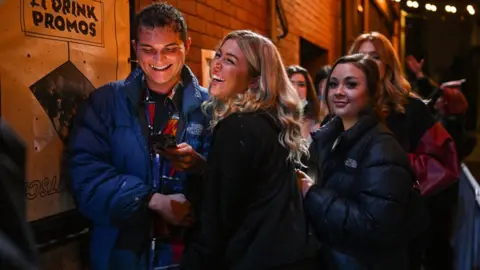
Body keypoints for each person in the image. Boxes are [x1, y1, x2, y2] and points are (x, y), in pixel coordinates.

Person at [67, 3, 210, 270]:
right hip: (121, 255)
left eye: (170, 49)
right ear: (135, 48)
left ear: (187, 46)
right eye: (148, 50)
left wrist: (202, 168)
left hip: (190, 254)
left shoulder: (211, 108)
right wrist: (152, 200)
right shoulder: (104, 102)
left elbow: (234, 182)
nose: (159, 60)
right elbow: (85, 176)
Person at [180, 30, 318, 270]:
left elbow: (218, 219)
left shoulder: (238, 127)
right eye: (219, 56)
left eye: (230, 61)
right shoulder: (269, 122)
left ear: (254, 80)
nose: (217, 66)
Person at [298, 53, 428, 270]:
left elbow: (375, 224)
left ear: (371, 93)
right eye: (333, 84)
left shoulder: (382, 147)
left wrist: (311, 194)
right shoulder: (327, 137)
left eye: (351, 84)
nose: (339, 91)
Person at [349, 31, 459, 270]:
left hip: (400, 228)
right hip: (351, 225)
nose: (366, 62)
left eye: (375, 57)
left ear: (387, 65)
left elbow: (442, 161)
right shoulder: (343, 105)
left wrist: (393, 166)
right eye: (359, 55)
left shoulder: (412, 107)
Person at [286, 65, 322, 142]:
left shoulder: (316, 121)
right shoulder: (275, 120)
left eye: (301, 85)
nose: (295, 89)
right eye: (291, 83)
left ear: (308, 90)